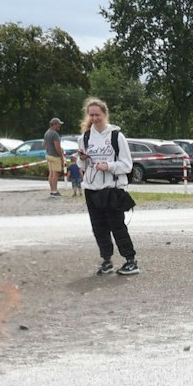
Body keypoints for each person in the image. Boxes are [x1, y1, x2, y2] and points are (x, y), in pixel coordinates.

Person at [76, 97, 139, 277]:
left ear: (105, 114)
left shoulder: (116, 136)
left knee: (116, 225)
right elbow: (82, 166)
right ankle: (106, 260)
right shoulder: (85, 137)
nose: (95, 118)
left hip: (111, 188)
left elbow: (127, 165)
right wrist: (81, 159)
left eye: (98, 115)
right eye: (91, 115)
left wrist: (109, 166)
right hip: (91, 188)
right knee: (98, 227)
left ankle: (130, 260)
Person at [43, 116, 66, 198]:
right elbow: (57, 147)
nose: (60, 126)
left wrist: (49, 148)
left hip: (48, 155)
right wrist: (62, 156)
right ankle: (55, 191)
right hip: (55, 156)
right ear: (54, 124)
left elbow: (43, 145)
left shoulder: (47, 133)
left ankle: (52, 190)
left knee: (51, 174)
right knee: (55, 174)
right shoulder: (55, 134)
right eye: (59, 124)